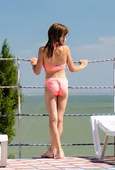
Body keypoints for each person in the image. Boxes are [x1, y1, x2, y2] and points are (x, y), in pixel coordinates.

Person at [30, 23, 88, 159]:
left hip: (50, 83)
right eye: (65, 36)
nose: (66, 39)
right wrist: (83, 65)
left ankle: (59, 150)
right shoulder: (66, 49)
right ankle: (52, 150)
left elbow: (37, 72)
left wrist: (33, 63)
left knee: (53, 119)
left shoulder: (42, 50)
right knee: (60, 119)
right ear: (60, 37)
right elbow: (73, 69)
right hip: (63, 83)